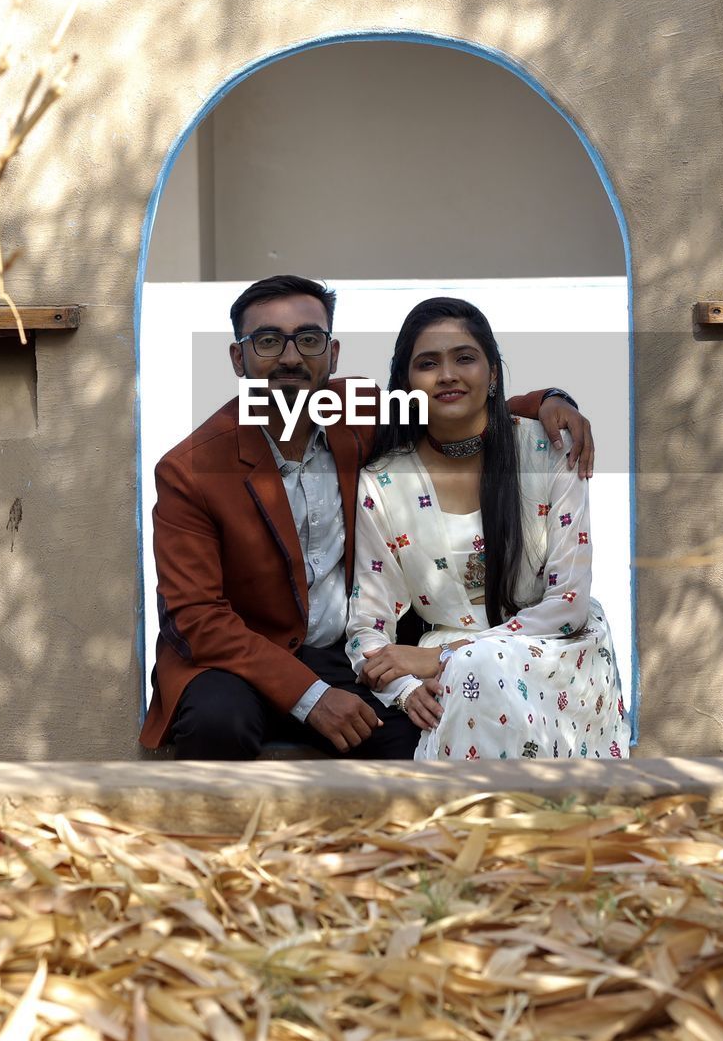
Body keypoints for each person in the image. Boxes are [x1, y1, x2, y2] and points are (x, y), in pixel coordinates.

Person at [138, 274, 596, 760]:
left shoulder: (355, 411)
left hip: (340, 656)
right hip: (233, 662)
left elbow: (453, 406)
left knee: (419, 735)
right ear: (239, 357)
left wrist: (549, 402)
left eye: (309, 339)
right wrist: (310, 698)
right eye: (268, 341)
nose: (291, 357)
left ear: (331, 354)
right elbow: (197, 618)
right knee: (217, 724)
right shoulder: (188, 470)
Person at [346, 297, 629, 761]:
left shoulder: (548, 450)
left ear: (493, 373)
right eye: (427, 364)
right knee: (474, 671)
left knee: (476, 664)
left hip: (556, 653)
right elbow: (366, 628)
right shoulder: (383, 482)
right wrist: (403, 688)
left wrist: (447, 653)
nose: (447, 375)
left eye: (464, 358)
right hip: (450, 678)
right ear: (404, 384)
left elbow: (568, 605)